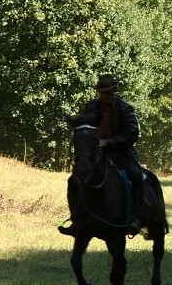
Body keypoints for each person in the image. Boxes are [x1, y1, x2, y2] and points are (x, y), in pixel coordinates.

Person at [59, 74, 143, 237]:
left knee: (137, 176)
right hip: (95, 154)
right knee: (74, 181)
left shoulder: (124, 108)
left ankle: (135, 219)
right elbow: (84, 127)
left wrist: (108, 142)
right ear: (99, 92)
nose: (106, 94)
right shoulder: (90, 107)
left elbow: (132, 134)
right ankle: (76, 219)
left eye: (109, 91)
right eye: (103, 91)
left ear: (114, 90)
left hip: (120, 152)